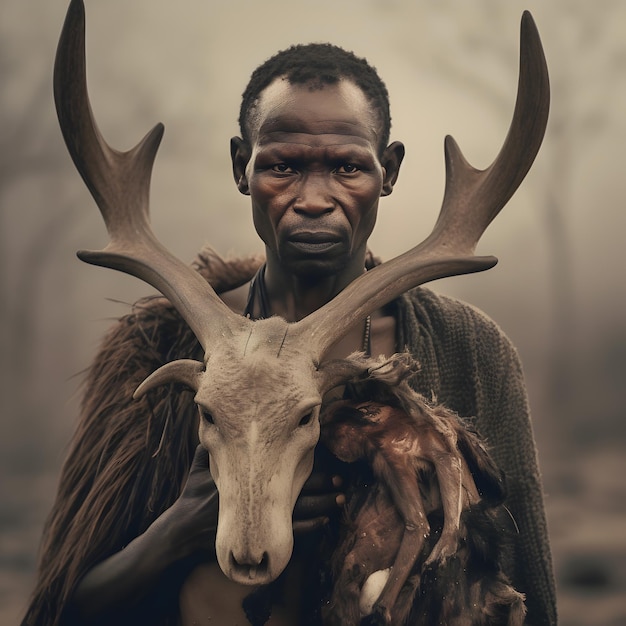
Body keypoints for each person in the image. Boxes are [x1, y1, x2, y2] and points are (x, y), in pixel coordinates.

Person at [22, 43, 556, 626]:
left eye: (348, 167)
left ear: (390, 171)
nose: (313, 199)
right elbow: (63, 607)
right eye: (283, 166)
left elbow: (528, 586)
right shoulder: (154, 346)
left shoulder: (470, 350)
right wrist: (180, 529)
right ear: (241, 168)